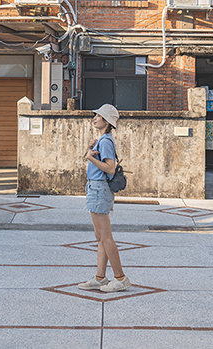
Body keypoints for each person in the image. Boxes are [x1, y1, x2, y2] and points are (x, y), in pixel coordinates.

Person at [78, 104, 131, 293]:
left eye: (98, 116)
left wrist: (89, 157)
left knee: (106, 237)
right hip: (95, 188)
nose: (94, 118)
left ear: (106, 121)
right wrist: (91, 149)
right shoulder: (102, 140)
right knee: (100, 237)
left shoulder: (106, 141)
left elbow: (109, 168)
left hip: (99, 189)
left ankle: (120, 278)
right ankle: (100, 278)